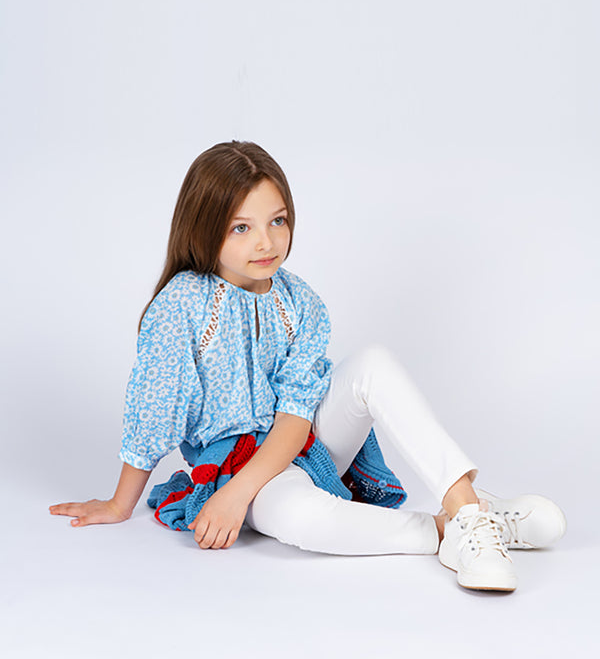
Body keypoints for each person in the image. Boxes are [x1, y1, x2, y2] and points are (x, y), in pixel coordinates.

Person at [49, 140, 566, 592]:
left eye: (277, 221)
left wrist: (240, 497)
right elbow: (153, 411)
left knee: (373, 363)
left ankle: (467, 508)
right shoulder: (181, 305)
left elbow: (297, 416)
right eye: (241, 227)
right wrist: (122, 505)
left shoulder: (299, 302)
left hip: (303, 442)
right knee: (295, 516)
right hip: (234, 469)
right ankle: (444, 531)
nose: (266, 242)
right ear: (203, 229)